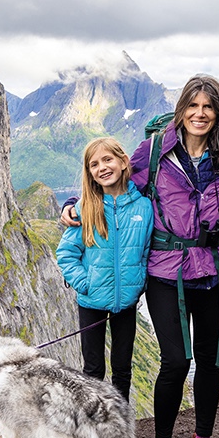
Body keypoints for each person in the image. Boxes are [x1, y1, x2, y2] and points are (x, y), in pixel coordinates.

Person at [62, 75, 219, 438]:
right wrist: (74, 204)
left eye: (208, 107)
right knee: (176, 361)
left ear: (218, 113)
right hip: (167, 272)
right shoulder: (155, 151)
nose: (200, 114)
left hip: (217, 268)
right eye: (193, 106)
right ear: (182, 109)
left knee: (211, 362)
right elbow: (112, 185)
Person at [56, 137, 153, 402]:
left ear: (123, 162)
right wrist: (86, 284)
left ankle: (119, 424)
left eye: (107, 159)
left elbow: (145, 251)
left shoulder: (143, 208)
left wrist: (139, 281)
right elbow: (66, 254)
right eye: (94, 164)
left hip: (127, 302)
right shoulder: (85, 209)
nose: (102, 167)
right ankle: (94, 426)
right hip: (91, 302)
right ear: (90, 173)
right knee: (93, 369)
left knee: (122, 369)